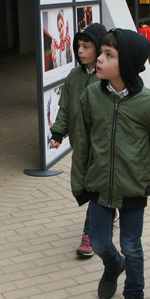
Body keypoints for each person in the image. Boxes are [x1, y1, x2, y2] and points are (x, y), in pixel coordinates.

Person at [70, 28, 150, 299]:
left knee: (131, 245)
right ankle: (113, 265)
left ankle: (135, 297)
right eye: (102, 53)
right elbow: (82, 140)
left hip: (134, 185)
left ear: (129, 63)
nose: (100, 59)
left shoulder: (147, 101)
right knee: (98, 241)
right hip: (98, 184)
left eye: (109, 55)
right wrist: (80, 182)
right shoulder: (91, 95)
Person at [49, 22, 106, 257]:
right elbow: (64, 107)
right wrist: (58, 133)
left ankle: (89, 234)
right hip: (80, 143)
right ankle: (108, 210)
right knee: (87, 183)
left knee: (95, 186)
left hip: (102, 144)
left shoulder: (107, 76)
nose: (80, 51)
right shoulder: (74, 75)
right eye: (78, 46)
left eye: (87, 46)